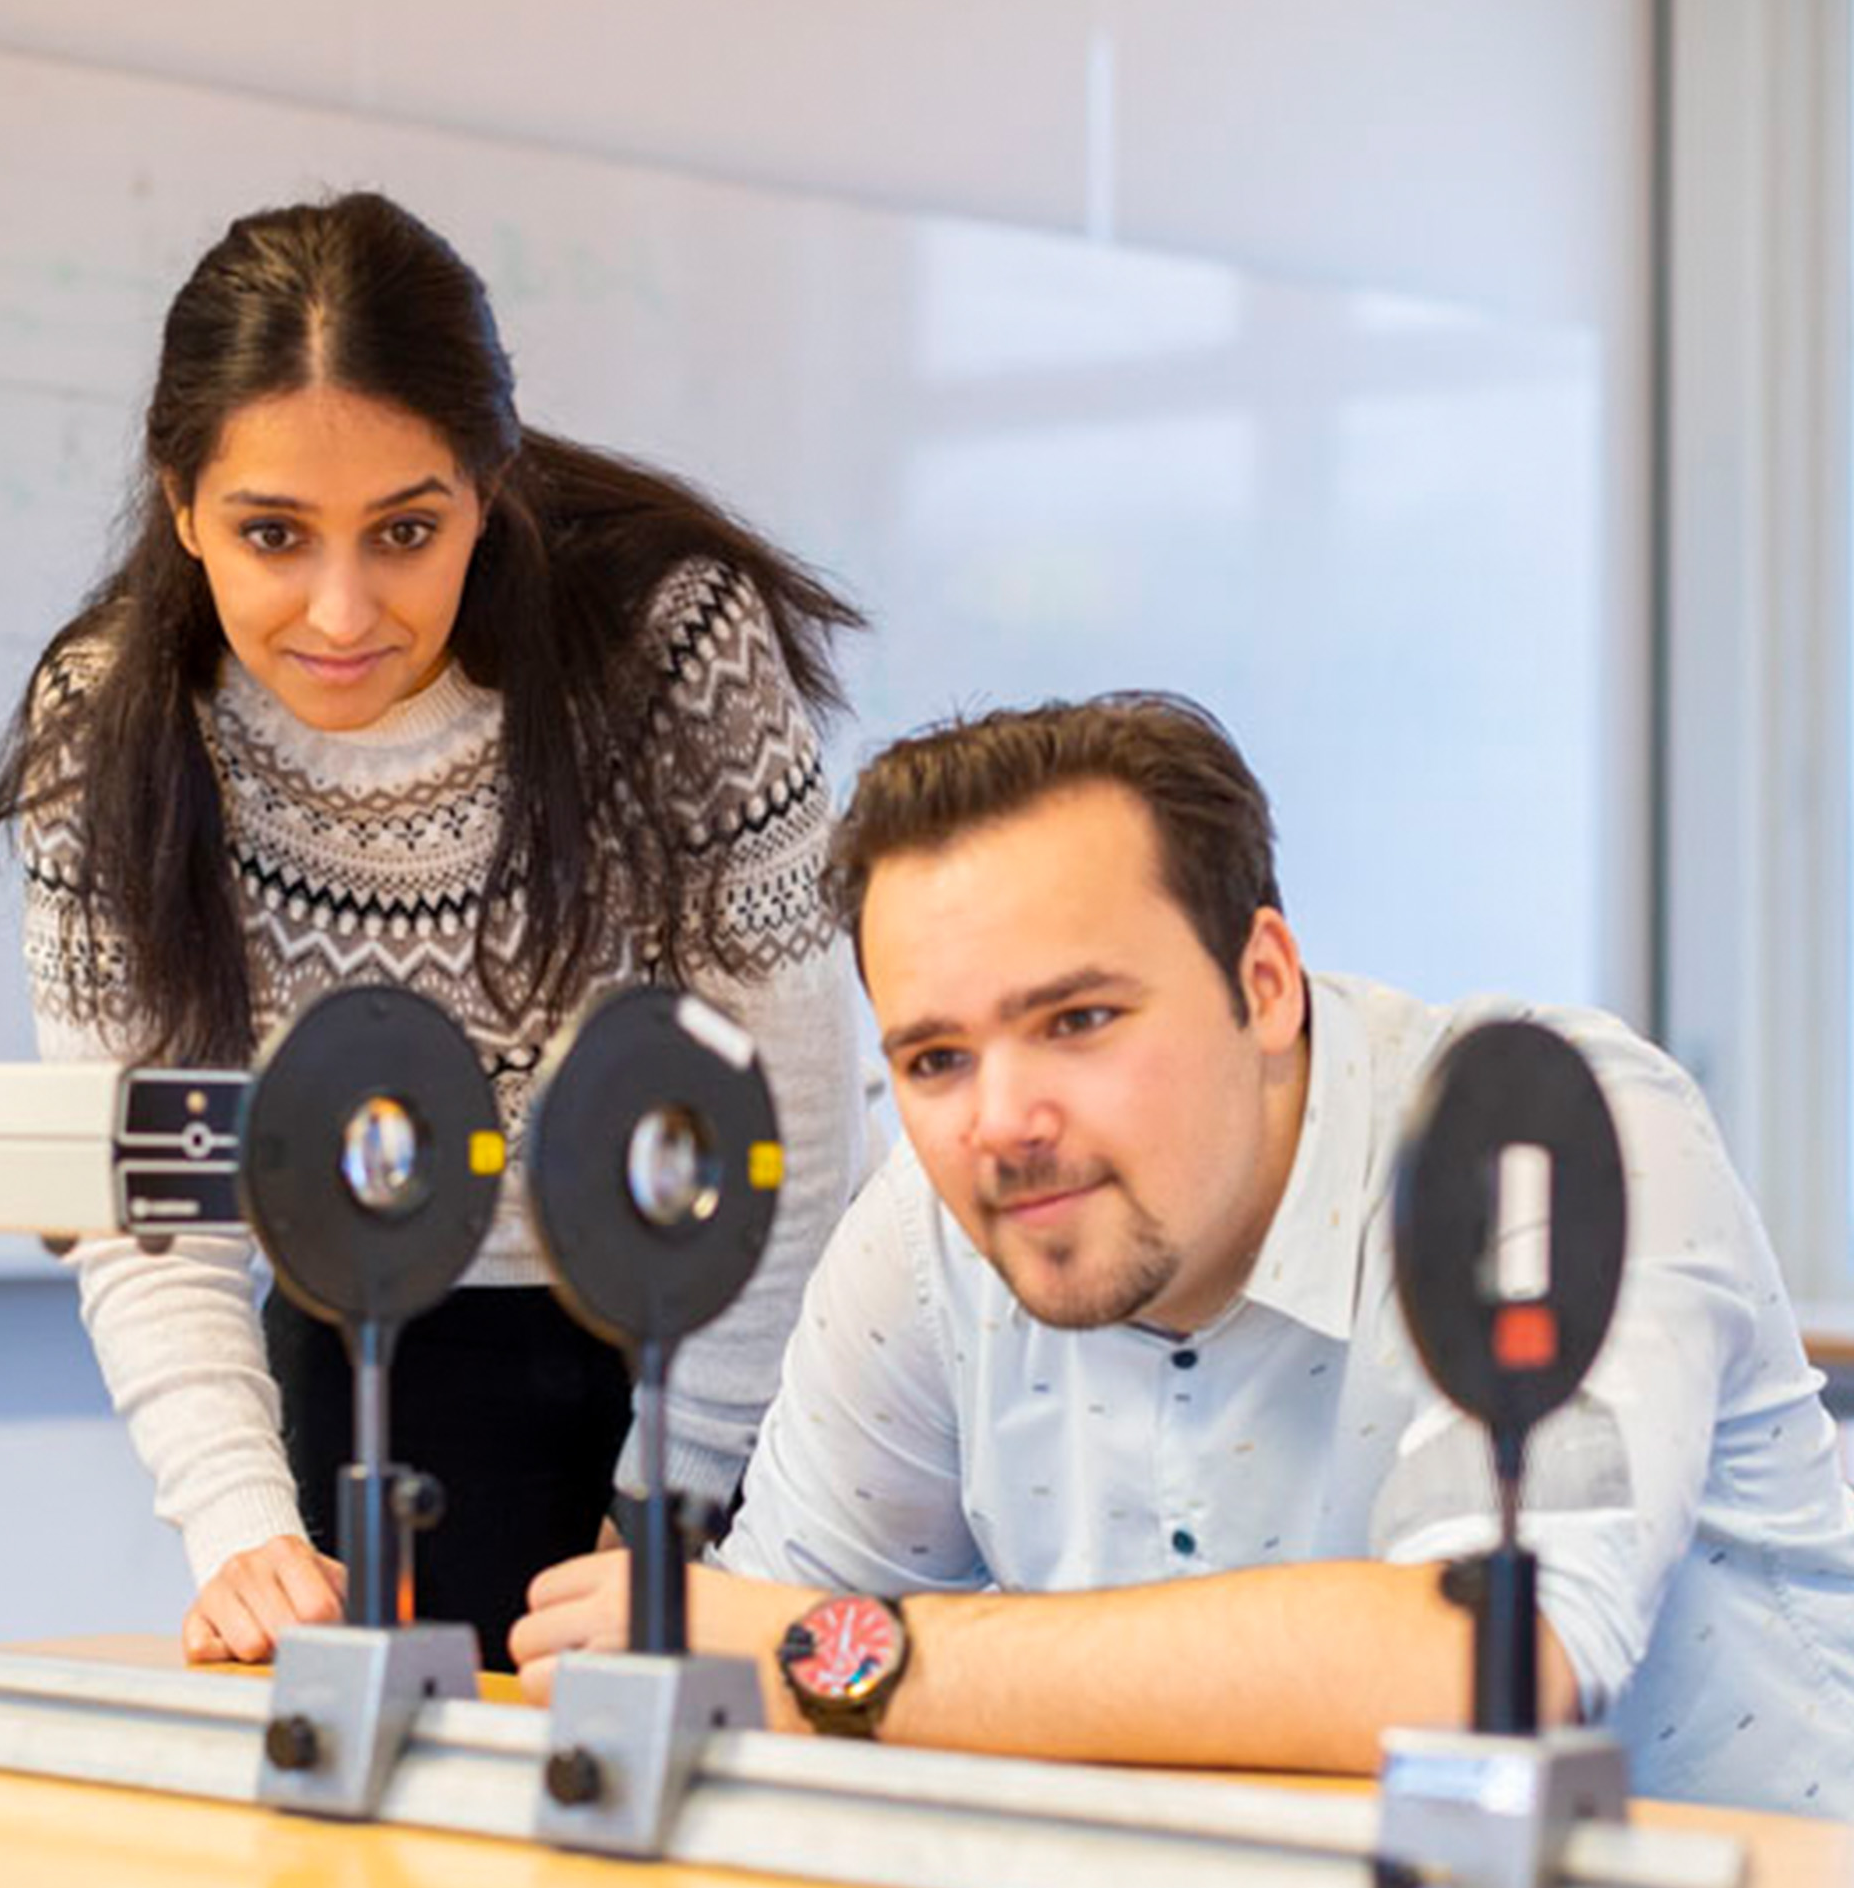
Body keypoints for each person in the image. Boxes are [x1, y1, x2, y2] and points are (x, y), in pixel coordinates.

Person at [513, 693, 1854, 1816]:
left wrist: (844, 1661)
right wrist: (787, 1657)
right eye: (934, 1058)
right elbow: (751, 1679)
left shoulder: (1548, 1140)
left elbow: (1483, 1664)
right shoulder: (927, 1235)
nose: (1001, 1122)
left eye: (1080, 1019)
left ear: (1262, 984)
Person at [0, 192, 867, 1671]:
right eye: (272, 535)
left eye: (405, 530)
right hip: (368, 1339)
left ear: (488, 488)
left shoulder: (670, 650)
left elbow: (784, 1126)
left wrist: (673, 1504)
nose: (341, 611)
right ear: (182, 504)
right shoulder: (112, 721)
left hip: (711, 1338)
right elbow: (153, 1193)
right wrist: (243, 1531)